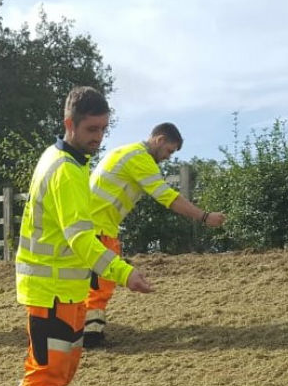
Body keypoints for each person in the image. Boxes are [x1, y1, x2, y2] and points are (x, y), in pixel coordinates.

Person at [0, 86, 153, 386]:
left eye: (103, 129)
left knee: (49, 369)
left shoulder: (59, 159)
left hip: (57, 288)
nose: (98, 137)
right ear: (69, 124)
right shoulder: (67, 171)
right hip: (54, 290)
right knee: (48, 374)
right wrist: (125, 273)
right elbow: (81, 239)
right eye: (91, 128)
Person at [83, 123, 225, 348]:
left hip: (93, 225)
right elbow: (168, 197)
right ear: (159, 140)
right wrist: (204, 216)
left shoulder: (125, 151)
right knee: (100, 284)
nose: (168, 157)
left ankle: (85, 331)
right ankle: (90, 335)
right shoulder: (141, 159)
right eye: (169, 150)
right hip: (99, 228)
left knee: (91, 282)